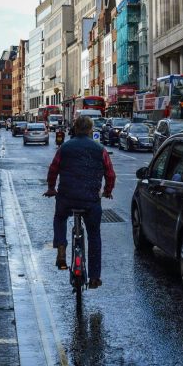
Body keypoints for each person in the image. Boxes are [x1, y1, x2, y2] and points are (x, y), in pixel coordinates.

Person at [44, 115, 115, 289]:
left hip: (67, 197)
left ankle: (61, 247)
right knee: (94, 236)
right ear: (91, 130)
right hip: (91, 200)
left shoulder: (65, 148)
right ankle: (94, 277)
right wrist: (107, 191)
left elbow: (53, 169)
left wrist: (52, 188)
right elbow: (110, 173)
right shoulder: (100, 149)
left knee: (60, 218)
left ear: (75, 129)